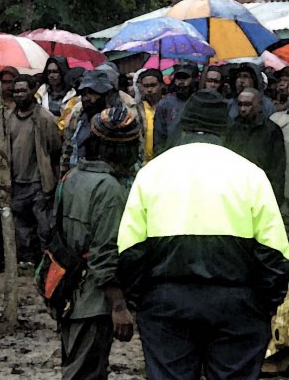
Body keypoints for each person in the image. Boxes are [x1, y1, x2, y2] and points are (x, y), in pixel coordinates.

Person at [117, 89, 289, 380]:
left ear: (182, 126)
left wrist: (139, 301)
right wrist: (264, 305)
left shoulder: (151, 173)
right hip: (238, 303)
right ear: (225, 128)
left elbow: (130, 249)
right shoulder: (251, 175)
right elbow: (274, 252)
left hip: (166, 301)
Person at [57, 106, 140, 380]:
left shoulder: (70, 177)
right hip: (93, 300)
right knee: (83, 373)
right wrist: (118, 305)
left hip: (67, 291)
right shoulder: (110, 189)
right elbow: (104, 253)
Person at [7, 74, 61, 266]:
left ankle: (46, 262)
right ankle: (27, 261)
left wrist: (53, 181)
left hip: (39, 181)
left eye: (23, 90)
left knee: (44, 227)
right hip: (16, 182)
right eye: (16, 91)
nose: (20, 95)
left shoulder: (45, 118)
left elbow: (55, 149)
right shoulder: (8, 118)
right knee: (21, 226)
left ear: (33, 91)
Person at [225, 87, 285, 204]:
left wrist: (276, 200)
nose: (243, 109)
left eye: (248, 105)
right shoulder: (232, 128)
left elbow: (278, 169)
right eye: (240, 104)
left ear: (259, 105)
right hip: (235, 191)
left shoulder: (272, 130)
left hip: (260, 193)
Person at [135, 68, 163, 163]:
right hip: (142, 161)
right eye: (146, 86)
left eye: (153, 85)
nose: (149, 90)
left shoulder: (168, 106)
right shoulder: (136, 108)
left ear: (161, 85)